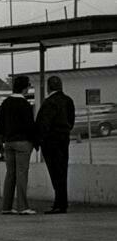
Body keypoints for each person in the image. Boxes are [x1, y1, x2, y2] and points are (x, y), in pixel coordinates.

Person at [0, 75, 39, 215]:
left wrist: (5, 137)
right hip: (22, 142)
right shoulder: (25, 104)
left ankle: (6, 206)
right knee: (22, 175)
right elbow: (30, 125)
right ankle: (22, 206)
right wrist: (35, 142)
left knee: (10, 174)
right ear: (25, 88)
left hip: (8, 142)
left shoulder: (6, 103)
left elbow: (0, 123)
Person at [35, 75, 75, 214]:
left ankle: (59, 203)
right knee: (62, 171)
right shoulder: (68, 100)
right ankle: (61, 202)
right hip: (64, 139)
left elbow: (43, 123)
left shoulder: (49, 102)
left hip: (51, 141)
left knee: (55, 172)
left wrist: (40, 140)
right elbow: (71, 120)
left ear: (48, 87)